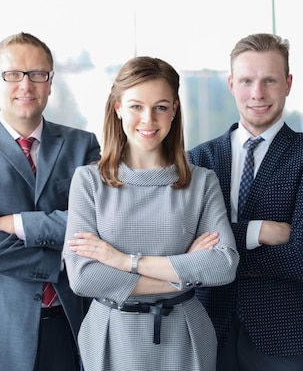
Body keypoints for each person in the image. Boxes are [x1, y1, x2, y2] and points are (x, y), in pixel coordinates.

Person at [63, 56, 239, 371]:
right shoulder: (88, 181)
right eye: (136, 106)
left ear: (174, 110)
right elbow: (83, 277)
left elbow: (223, 266)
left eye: (160, 106)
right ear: (117, 107)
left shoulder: (201, 182)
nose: (148, 119)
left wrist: (124, 262)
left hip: (185, 335)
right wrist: (182, 275)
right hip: (111, 334)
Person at [0, 32, 100, 371]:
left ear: (50, 82)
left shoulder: (82, 145)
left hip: (70, 320)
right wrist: (57, 261)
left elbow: (99, 223)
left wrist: (17, 224)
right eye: (13, 74)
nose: (26, 85)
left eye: (37, 74)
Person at [188, 33, 303, 371]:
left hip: (282, 330)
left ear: (288, 84)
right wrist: (259, 231)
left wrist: (219, 253)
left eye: (269, 80)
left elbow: (302, 257)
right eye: (247, 81)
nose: (257, 93)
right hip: (208, 324)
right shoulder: (199, 158)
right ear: (231, 84)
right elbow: (185, 244)